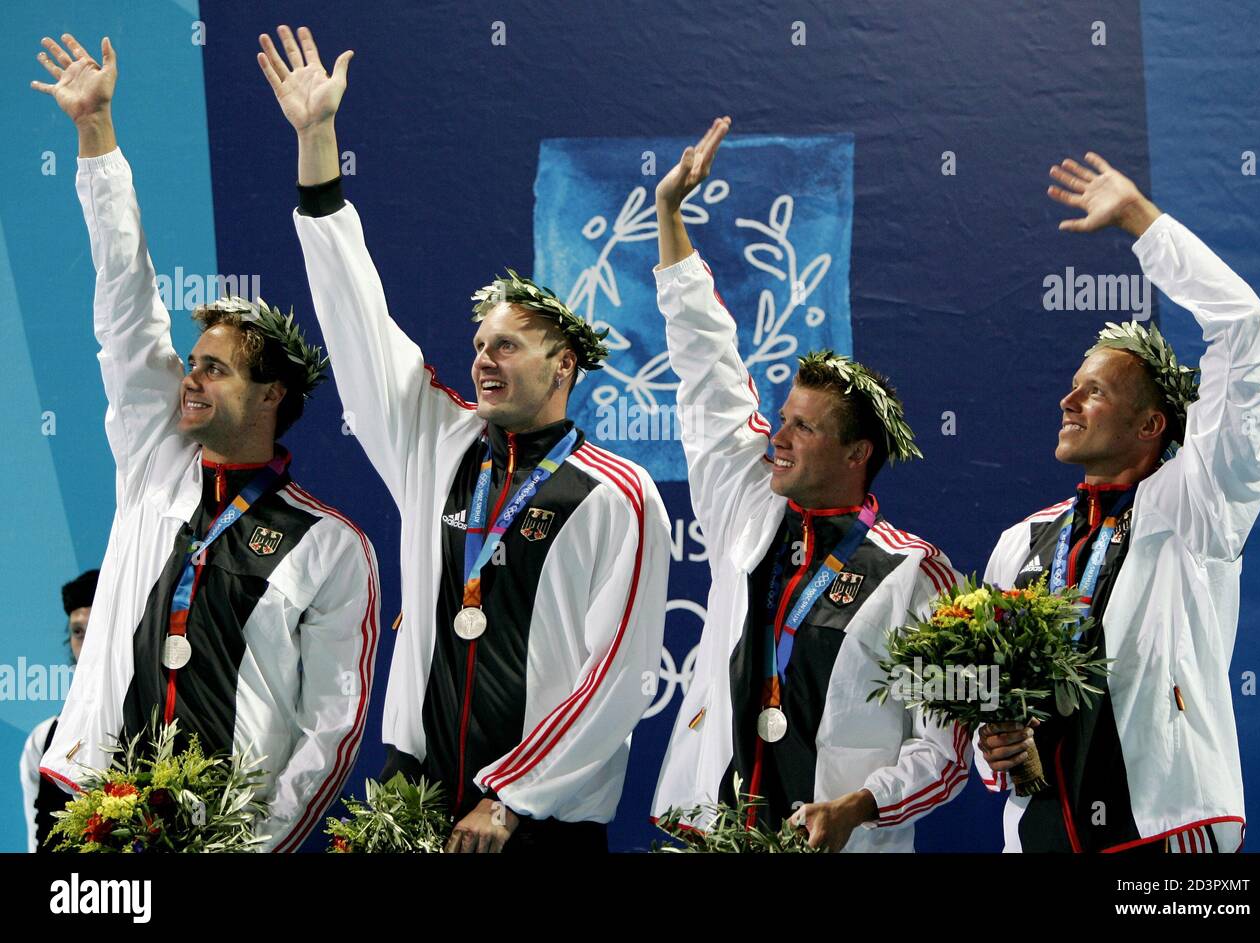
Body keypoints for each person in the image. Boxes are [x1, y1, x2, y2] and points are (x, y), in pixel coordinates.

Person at [258, 25, 670, 853]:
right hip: (413, 797)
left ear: (565, 364)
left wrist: (510, 799)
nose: (481, 359)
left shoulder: (618, 493)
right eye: (479, 343)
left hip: (534, 822)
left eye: (506, 345)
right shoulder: (437, 440)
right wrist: (316, 145)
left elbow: (615, 678)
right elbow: (358, 318)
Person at [29, 33, 379, 852]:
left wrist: (255, 843)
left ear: (271, 396)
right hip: (89, 816)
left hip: (218, 835)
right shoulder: (157, 452)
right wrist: (96, 134)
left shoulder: (330, 548)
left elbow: (329, 729)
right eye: (193, 363)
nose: (191, 378)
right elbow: (124, 296)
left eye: (215, 370)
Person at [649, 118, 969, 853]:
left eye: (803, 427)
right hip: (715, 835)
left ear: (858, 452)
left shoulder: (915, 574)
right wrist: (670, 216)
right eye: (780, 417)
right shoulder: (749, 499)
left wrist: (859, 806)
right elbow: (706, 367)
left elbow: (945, 749)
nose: (777, 436)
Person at [975, 153, 1260, 853]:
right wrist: (996, 737)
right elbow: (983, 699)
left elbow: (1243, 330)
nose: (1068, 399)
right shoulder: (1022, 543)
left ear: (1150, 426)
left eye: (1095, 390)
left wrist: (1142, 221)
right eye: (1073, 385)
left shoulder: (1197, 503)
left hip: (1164, 834)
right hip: (1042, 834)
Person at [19, 570, 97, 852]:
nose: (87, 647)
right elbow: (35, 842)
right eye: (78, 632)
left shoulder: (155, 730)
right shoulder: (41, 742)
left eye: (97, 630)